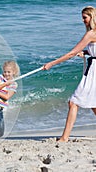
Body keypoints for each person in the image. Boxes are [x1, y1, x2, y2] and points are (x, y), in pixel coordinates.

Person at [43, 6, 96, 142]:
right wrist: (86, 52)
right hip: (93, 69)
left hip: (93, 72)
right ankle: (65, 137)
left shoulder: (91, 34)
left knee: (73, 102)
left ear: (92, 17)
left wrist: (52, 64)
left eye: (85, 17)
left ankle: (64, 138)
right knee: (93, 104)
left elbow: (71, 53)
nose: (83, 20)